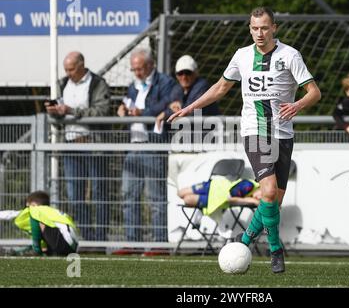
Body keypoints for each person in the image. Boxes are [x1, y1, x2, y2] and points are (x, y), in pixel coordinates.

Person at [168, 7, 321, 273]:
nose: (259, 33)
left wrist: (297, 105)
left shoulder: (290, 55)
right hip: (254, 131)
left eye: (264, 28)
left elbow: (314, 92)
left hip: (283, 134)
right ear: (249, 29)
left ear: (274, 28)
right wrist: (190, 107)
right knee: (269, 192)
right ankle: (275, 250)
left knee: (273, 201)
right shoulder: (242, 56)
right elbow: (220, 88)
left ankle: (246, 239)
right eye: (254, 28)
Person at [45, 51, 110, 241]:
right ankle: (87, 236)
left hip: (94, 145)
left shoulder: (98, 83)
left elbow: (102, 111)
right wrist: (54, 112)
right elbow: (58, 117)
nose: (68, 73)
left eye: (72, 69)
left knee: (99, 192)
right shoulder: (62, 84)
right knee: (75, 194)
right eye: (66, 69)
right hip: (71, 146)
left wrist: (72, 111)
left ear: (82, 65)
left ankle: (100, 237)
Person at [117, 48, 176, 242]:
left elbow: (169, 104)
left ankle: (160, 241)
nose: (137, 73)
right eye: (134, 69)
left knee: (155, 197)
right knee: (128, 194)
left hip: (153, 145)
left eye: (140, 68)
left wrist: (142, 113)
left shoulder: (165, 82)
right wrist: (123, 109)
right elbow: (128, 103)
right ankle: (132, 241)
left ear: (151, 65)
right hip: (133, 144)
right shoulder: (132, 86)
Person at [155, 55, 221, 129]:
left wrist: (166, 113)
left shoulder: (202, 86)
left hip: (209, 134)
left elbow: (190, 110)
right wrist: (170, 107)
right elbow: (168, 105)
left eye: (188, 73)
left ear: (196, 73)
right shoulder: (177, 88)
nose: (184, 77)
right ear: (176, 75)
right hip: (192, 133)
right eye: (180, 73)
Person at [14, 191, 78, 256]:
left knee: (36, 218)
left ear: (33, 204)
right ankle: (44, 250)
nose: (27, 209)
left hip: (63, 243)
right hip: (72, 248)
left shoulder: (35, 210)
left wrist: (37, 249)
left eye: (28, 207)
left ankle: (36, 249)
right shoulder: (51, 212)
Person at [178, 178, 261, 216]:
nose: (259, 198)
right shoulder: (248, 186)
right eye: (262, 195)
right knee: (180, 193)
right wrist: (252, 201)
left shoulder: (252, 197)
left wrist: (251, 201)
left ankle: (198, 219)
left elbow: (229, 200)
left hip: (212, 200)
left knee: (187, 199)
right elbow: (230, 198)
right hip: (212, 186)